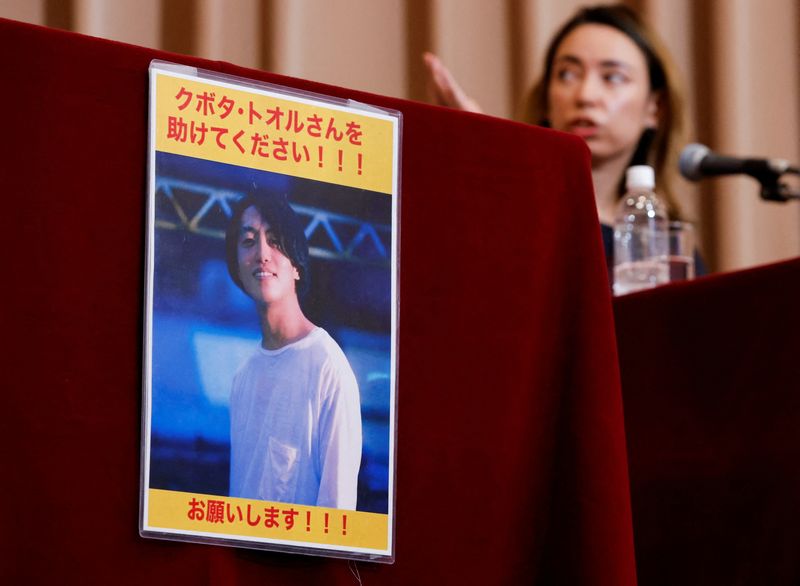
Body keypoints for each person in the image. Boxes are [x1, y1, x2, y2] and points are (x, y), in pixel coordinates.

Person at [424, 4, 704, 272]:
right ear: (547, 99)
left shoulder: (672, 250)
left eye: (613, 77)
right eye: (567, 74)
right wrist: (486, 157)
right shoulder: (508, 216)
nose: (585, 96)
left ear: (655, 107)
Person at [224, 187, 362, 510]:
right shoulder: (243, 376)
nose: (261, 254)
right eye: (248, 241)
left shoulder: (328, 367)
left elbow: (338, 515)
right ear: (236, 266)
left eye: (274, 240)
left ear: (297, 264)